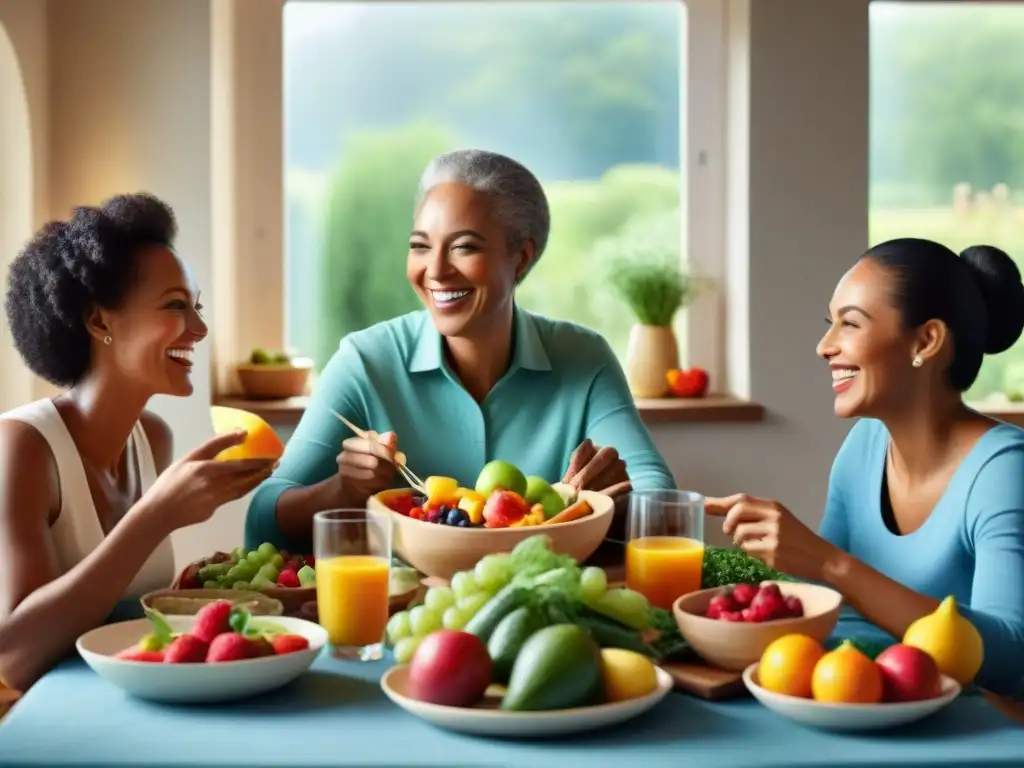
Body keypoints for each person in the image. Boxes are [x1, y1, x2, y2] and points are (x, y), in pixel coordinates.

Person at [246, 149, 676, 551]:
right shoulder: (365, 361)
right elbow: (263, 516)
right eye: (420, 246)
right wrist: (342, 490)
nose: (435, 270)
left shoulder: (583, 358)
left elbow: (663, 503)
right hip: (398, 611)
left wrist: (613, 503)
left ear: (521, 258)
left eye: (464, 246)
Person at [705, 238, 1024, 696]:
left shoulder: (1003, 470)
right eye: (829, 324)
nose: (824, 346)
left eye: (849, 324)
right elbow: (826, 600)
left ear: (927, 340)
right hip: (866, 703)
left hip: (979, 732)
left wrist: (831, 563)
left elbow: (1010, 655)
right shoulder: (866, 445)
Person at [0, 193, 275, 691]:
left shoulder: (152, 437)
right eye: (176, 306)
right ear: (100, 321)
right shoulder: (20, 447)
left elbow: (118, 614)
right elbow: (14, 656)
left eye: (197, 307)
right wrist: (156, 517)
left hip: (130, 697)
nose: (200, 328)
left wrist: (189, 587)